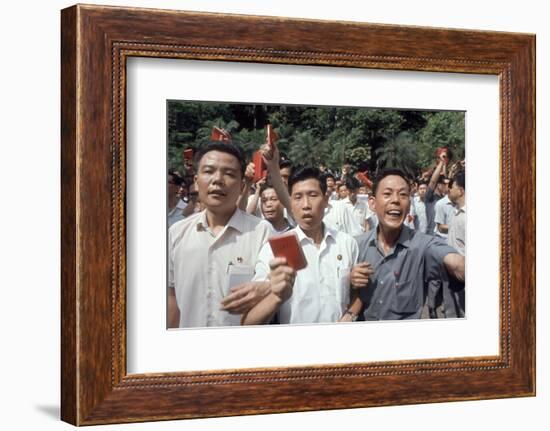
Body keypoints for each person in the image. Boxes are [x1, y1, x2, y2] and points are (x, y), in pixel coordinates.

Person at [167, 141, 273, 328]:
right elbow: (172, 297)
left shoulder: (262, 232)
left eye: (229, 174)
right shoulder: (176, 233)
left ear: (242, 185)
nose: (217, 180)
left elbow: (270, 293)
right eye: (208, 171)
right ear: (196, 181)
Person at [243, 167, 361, 325]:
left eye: (313, 195)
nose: (306, 205)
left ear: (326, 200)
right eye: (298, 197)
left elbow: (359, 291)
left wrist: (351, 314)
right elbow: (250, 321)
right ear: (290, 203)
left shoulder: (347, 244)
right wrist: (275, 295)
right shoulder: (273, 250)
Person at [351, 168, 465, 321]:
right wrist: (349, 282)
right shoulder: (355, 247)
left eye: (403, 194)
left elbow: (453, 260)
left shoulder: (423, 245)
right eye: (387, 194)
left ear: (409, 203)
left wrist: (459, 265)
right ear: (372, 203)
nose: (396, 200)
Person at [444, 171, 466, 317]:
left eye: (452, 187)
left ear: (461, 190)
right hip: (453, 275)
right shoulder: (457, 212)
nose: (449, 190)